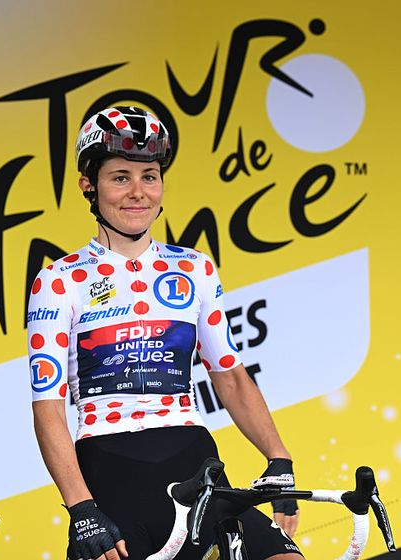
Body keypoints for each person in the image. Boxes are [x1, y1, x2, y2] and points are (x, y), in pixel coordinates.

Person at [28, 106, 303, 560]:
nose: (138, 192)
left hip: (193, 458)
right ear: (88, 185)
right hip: (111, 468)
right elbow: (48, 412)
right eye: (120, 177)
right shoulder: (59, 281)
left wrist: (279, 457)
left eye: (149, 176)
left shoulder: (195, 268)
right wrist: (81, 509)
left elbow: (230, 376)